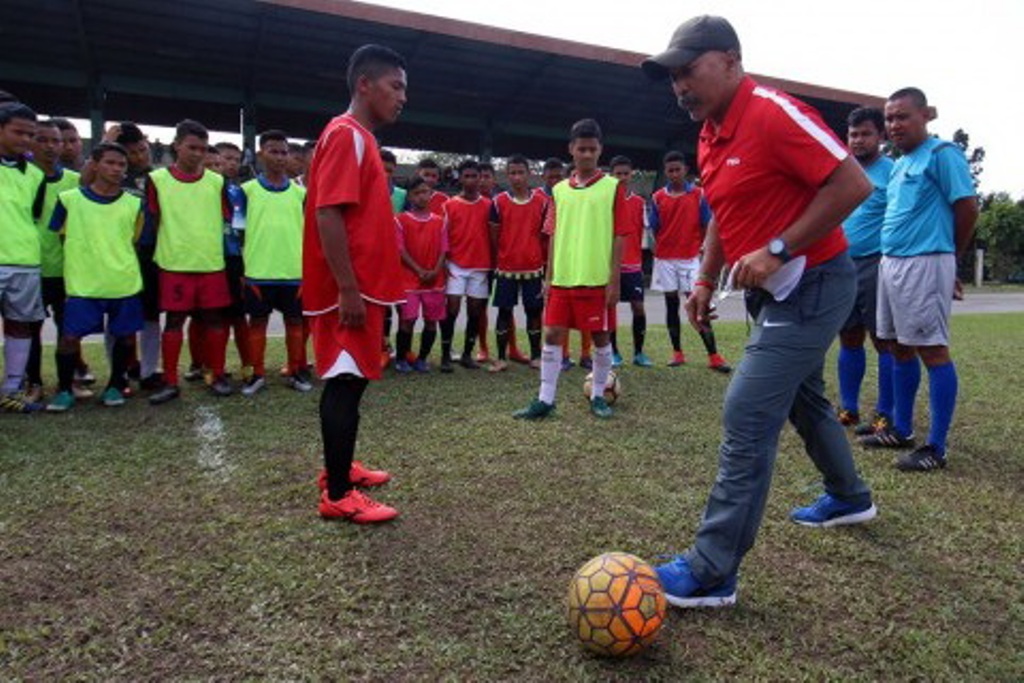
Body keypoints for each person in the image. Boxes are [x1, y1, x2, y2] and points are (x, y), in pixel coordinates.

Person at [641, 15, 878, 607]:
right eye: (672, 77)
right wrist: (702, 277)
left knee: (747, 411)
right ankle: (850, 497)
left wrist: (777, 248)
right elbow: (723, 209)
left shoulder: (771, 111)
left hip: (816, 282)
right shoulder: (710, 131)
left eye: (688, 70)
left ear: (731, 60)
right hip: (775, 290)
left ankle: (712, 569)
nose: (680, 87)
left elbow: (851, 184)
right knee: (805, 399)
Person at [302, 44, 406, 523]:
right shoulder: (348, 135)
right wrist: (346, 288)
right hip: (352, 291)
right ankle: (339, 494)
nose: (403, 97)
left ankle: (341, 469)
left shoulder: (356, 136)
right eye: (396, 86)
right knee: (344, 383)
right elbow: (328, 212)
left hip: (363, 288)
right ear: (365, 84)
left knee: (355, 380)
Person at [859, 88, 979, 472]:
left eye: (902, 117)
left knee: (932, 349)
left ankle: (937, 448)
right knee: (897, 347)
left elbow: (967, 207)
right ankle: (902, 429)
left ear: (926, 115)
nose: (894, 125)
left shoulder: (943, 155)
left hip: (925, 263)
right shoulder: (899, 164)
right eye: (889, 118)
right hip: (891, 264)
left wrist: (951, 260)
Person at [513, 118, 628, 420]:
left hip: (596, 278)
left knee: (601, 338)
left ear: (600, 150)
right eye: (582, 149)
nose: (587, 154)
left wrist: (614, 280)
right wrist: (548, 276)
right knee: (551, 335)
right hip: (563, 277)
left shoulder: (613, 187)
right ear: (571, 150)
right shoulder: (559, 190)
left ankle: (599, 396)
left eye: (592, 149)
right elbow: (551, 234)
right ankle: (545, 400)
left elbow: (619, 235)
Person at [45, 143, 144, 411]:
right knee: (69, 338)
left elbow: (134, 241)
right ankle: (65, 390)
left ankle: (114, 385)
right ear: (95, 164)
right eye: (110, 163)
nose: (116, 169)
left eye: (121, 165)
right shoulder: (68, 200)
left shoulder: (135, 204)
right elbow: (60, 235)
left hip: (123, 282)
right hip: (83, 284)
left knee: (124, 337)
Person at [146, 119, 234, 404]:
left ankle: (217, 374)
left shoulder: (217, 181)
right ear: (176, 146)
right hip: (174, 264)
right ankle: (170, 381)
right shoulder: (157, 179)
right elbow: (153, 219)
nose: (197, 153)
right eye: (192, 147)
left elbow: (227, 220)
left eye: (203, 148)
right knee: (174, 322)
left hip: (211, 263)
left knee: (214, 320)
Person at [835, 107, 896, 433]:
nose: (858, 140)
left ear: (881, 137)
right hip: (842, 263)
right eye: (853, 134)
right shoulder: (840, 171)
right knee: (848, 336)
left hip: (878, 263)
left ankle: (885, 411)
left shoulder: (892, 172)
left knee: (883, 338)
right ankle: (849, 408)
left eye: (866, 134)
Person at [237, 129, 309, 396]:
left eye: (283, 152)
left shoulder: (301, 194)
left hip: (294, 272)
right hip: (258, 272)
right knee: (257, 324)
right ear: (261, 154)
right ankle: (256, 374)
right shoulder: (246, 191)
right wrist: (241, 270)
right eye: (273, 151)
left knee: (295, 324)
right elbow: (238, 232)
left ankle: (296, 371)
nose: (279, 157)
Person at [648, 151, 731, 373]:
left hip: (691, 258)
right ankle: (677, 353)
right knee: (671, 305)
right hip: (666, 259)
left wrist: (703, 252)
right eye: (670, 170)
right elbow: (654, 229)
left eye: (678, 169)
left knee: (699, 305)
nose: (674, 174)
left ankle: (714, 356)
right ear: (665, 172)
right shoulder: (657, 198)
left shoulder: (700, 195)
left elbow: (707, 225)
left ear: (685, 170)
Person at [25, 119, 87, 403]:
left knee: (68, 330)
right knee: (29, 330)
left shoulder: (74, 183)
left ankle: (68, 382)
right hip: (30, 267)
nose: (50, 146)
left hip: (66, 270)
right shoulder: (19, 177)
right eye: (42, 140)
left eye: (56, 141)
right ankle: (33, 383)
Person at [0, 102, 46, 413]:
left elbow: (34, 215)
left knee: (19, 325)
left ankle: (11, 388)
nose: (26, 139)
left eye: (31, 134)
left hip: (25, 261)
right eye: (18, 132)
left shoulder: (35, 175)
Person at [488, 154, 547, 371]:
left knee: (534, 312)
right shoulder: (498, 201)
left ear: (529, 174)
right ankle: (501, 357)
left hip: (533, 267)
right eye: (512, 172)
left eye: (521, 172)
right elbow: (494, 235)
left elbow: (545, 236)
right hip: (506, 267)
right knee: (504, 312)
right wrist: (506, 253)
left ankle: (536, 356)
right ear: (507, 175)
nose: (517, 177)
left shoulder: (542, 202)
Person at [438, 158, 492, 372]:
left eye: (474, 176)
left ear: (480, 178)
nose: (470, 180)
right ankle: (445, 355)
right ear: (460, 178)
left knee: (475, 312)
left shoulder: (489, 205)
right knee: (451, 309)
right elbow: (442, 237)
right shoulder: (449, 205)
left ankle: (468, 355)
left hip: (480, 265)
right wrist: (443, 263)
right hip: (455, 266)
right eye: (467, 176)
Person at [540, 156, 592, 371]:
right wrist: (548, 273)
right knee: (563, 315)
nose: (554, 181)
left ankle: (586, 354)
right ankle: (564, 354)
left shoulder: (590, 198)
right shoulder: (553, 199)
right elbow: (549, 235)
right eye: (550, 177)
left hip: (586, 264)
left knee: (587, 313)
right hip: (560, 265)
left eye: (558, 177)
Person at [394, 176, 447, 373]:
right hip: (409, 280)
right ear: (410, 196)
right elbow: (400, 250)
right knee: (408, 320)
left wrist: (434, 271)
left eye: (425, 192)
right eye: (417, 193)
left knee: (431, 321)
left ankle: (422, 359)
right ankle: (401, 358)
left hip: (434, 280)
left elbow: (444, 250)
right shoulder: (400, 220)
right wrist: (418, 270)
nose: (422, 197)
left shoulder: (440, 222)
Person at [608, 155, 652, 368]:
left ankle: (639, 353)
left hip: (633, 265)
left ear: (631, 174)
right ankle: (614, 352)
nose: (622, 177)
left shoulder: (639, 202)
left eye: (626, 173)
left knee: (638, 307)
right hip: (610, 265)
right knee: (610, 308)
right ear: (611, 175)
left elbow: (644, 235)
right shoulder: (605, 200)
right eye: (618, 174)